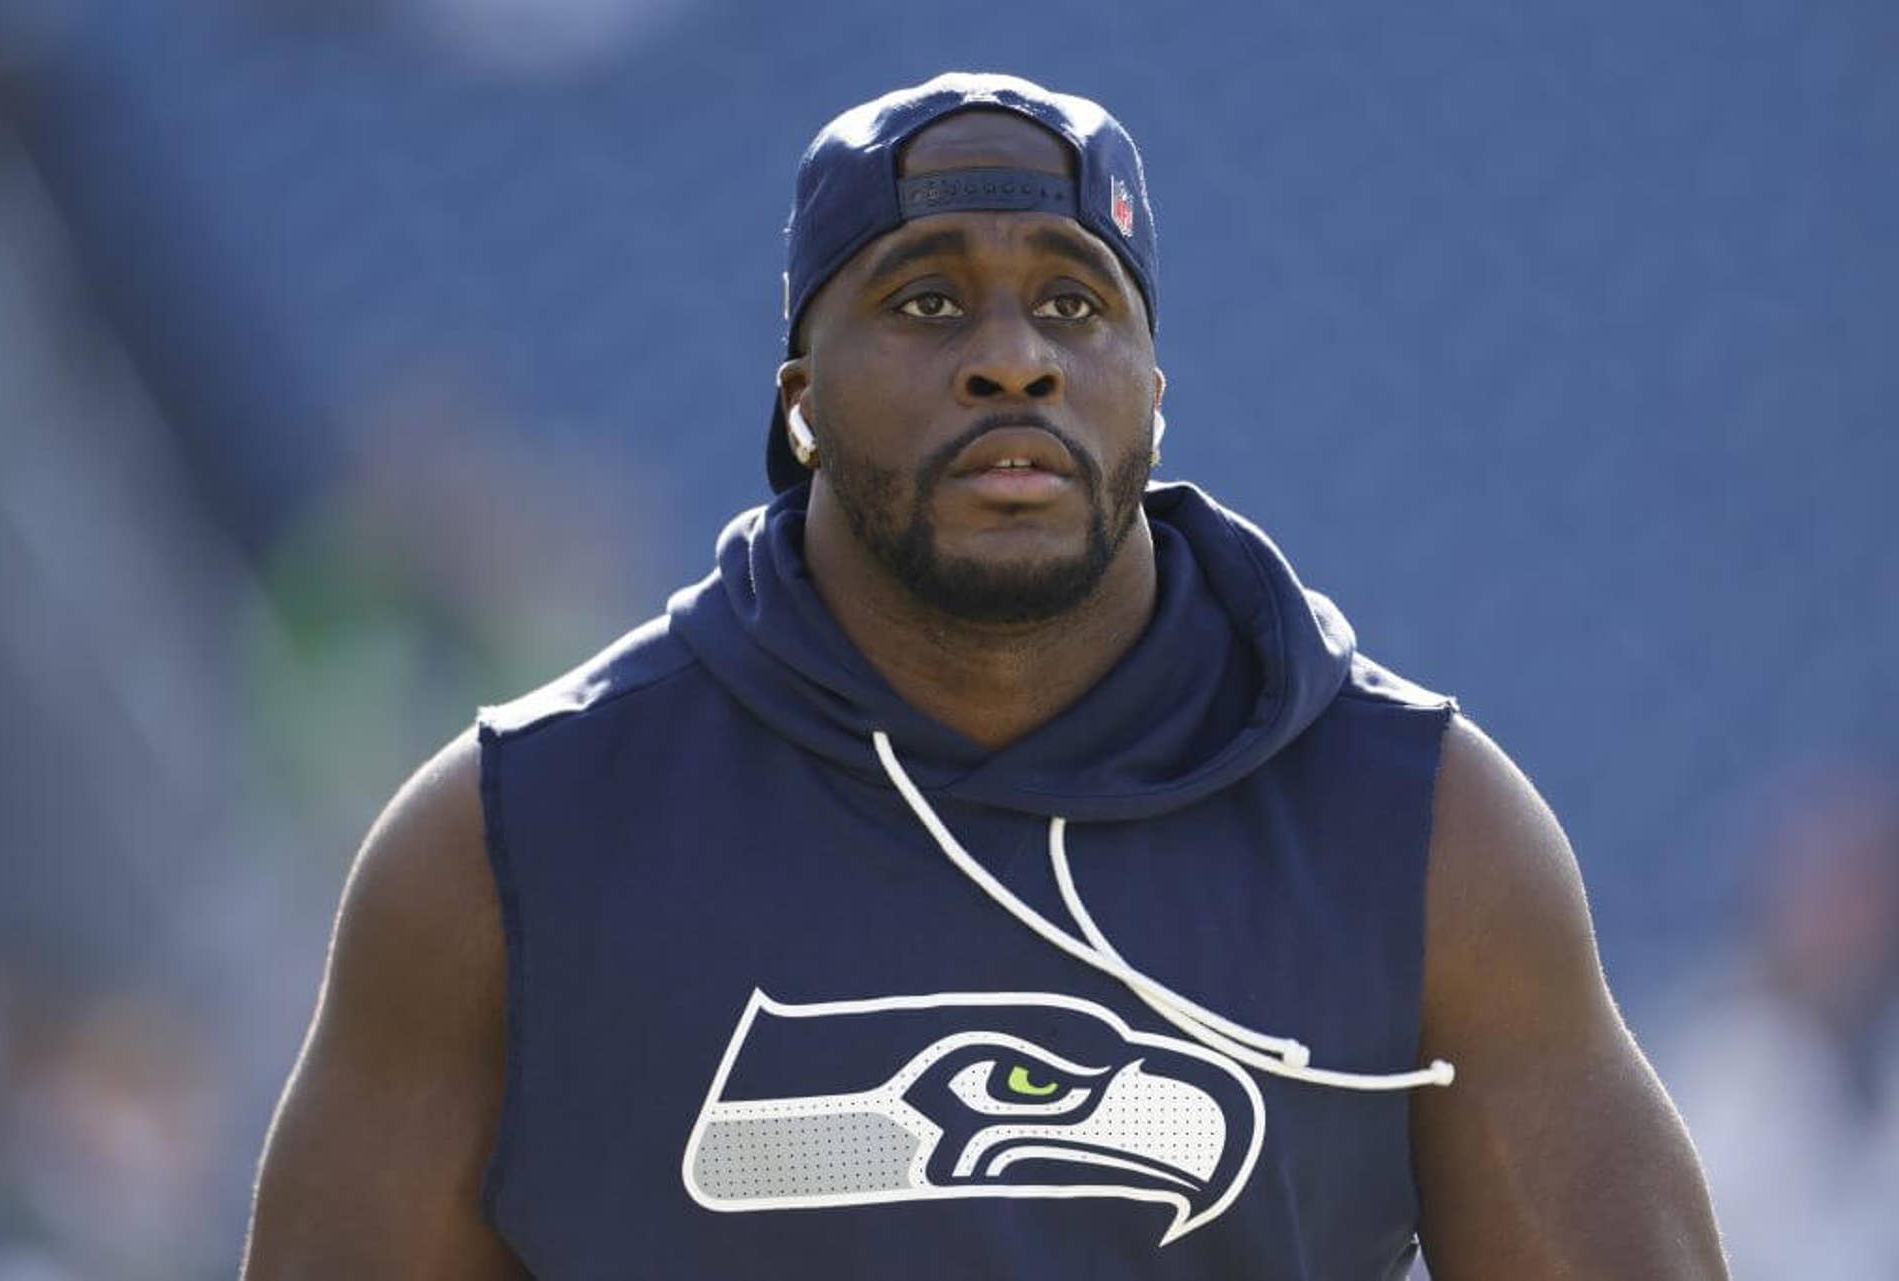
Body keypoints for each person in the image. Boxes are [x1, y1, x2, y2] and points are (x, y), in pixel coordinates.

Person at [240, 73, 1728, 1279]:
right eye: (926, 302)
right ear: (799, 400)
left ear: (1152, 390)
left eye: (1078, 305)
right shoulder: (508, 849)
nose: (1013, 357)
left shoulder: (1427, 834)